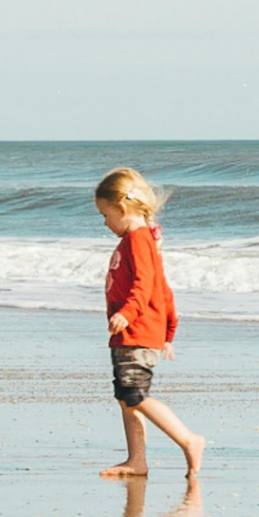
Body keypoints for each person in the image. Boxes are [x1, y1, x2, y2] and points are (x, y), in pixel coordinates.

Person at [95, 167, 205, 477]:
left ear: (121, 208)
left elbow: (144, 285)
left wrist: (126, 314)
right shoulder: (141, 240)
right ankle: (137, 460)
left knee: (135, 395)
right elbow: (163, 288)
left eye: (105, 214)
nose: (104, 223)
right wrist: (169, 331)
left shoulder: (137, 239)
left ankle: (189, 439)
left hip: (137, 332)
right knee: (126, 399)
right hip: (133, 334)